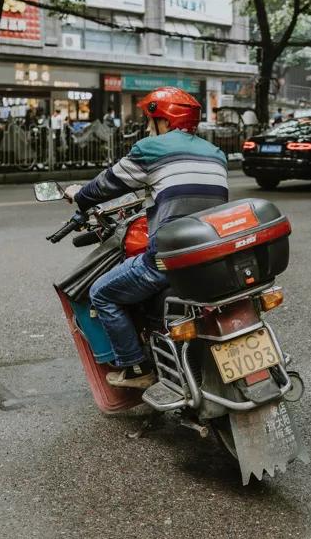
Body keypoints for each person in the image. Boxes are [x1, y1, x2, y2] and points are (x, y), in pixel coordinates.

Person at [63, 87, 229, 388]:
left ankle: (136, 369)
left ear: (163, 120)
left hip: (170, 258)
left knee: (102, 292)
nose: (147, 125)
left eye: (150, 119)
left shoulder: (150, 148)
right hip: (212, 256)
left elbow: (106, 185)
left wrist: (79, 195)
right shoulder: (216, 153)